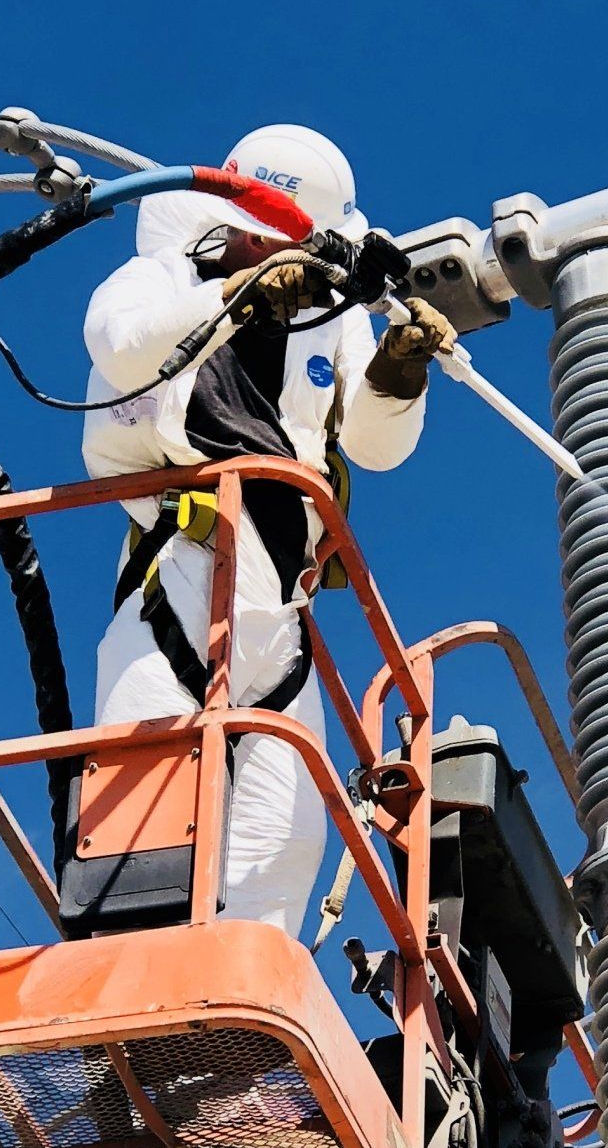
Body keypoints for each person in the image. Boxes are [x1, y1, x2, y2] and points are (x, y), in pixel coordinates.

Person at [81, 125, 451, 933]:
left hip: (283, 608)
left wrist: (399, 369)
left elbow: (375, 450)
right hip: (181, 572)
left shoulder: (329, 322)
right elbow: (116, 343)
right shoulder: (163, 279)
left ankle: (235, 1044)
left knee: (284, 840)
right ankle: (136, 1030)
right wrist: (238, 297)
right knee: (140, 834)